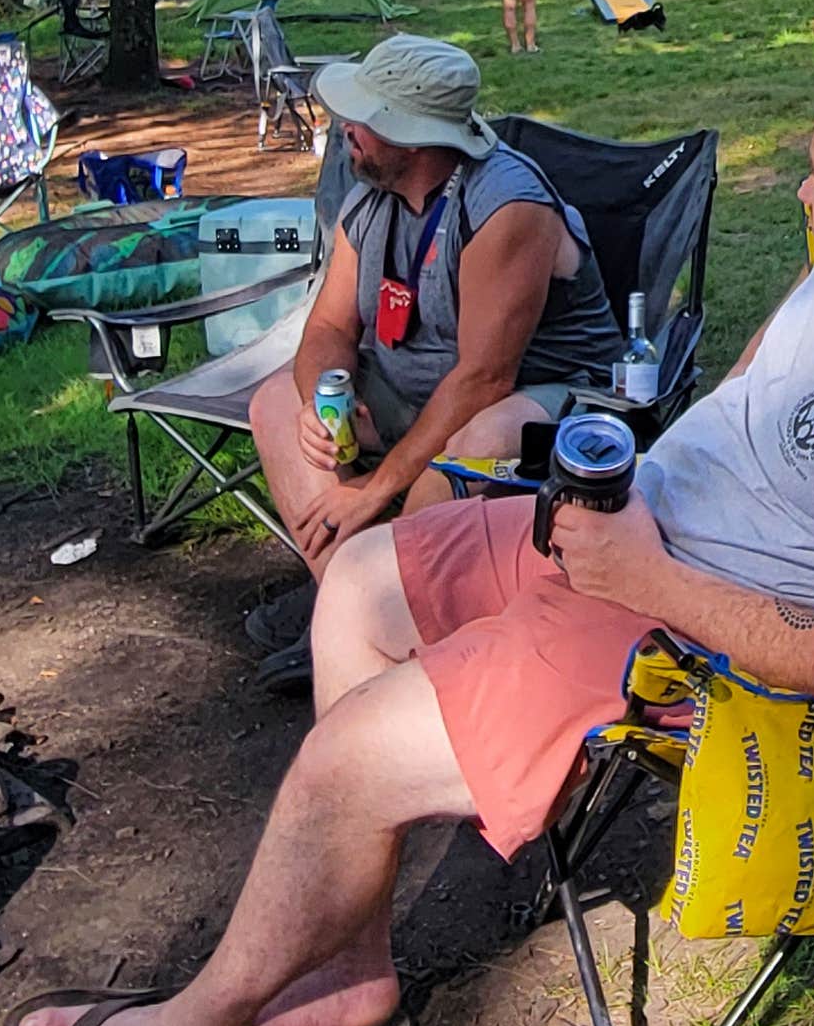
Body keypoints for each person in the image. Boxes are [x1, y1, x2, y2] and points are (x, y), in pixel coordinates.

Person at [5, 55, 814, 1026]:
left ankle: (196, 1020)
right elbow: (741, 398)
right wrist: (637, 511)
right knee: (355, 583)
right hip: (631, 532)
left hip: (683, 634)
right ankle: (356, 984)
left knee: (342, 761)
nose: (799, 192)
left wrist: (648, 574)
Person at [236, 36, 619, 685]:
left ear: (410, 137)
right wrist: (321, 398)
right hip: (414, 387)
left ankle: (391, 622)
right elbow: (330, 323)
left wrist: (377, 491)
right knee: (276, 402)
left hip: (545, 393)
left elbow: (483, 379)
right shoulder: (370, 195)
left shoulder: (506, 207)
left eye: (362, 119)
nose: (345, 130)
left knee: (475, 443)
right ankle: (350, 610)